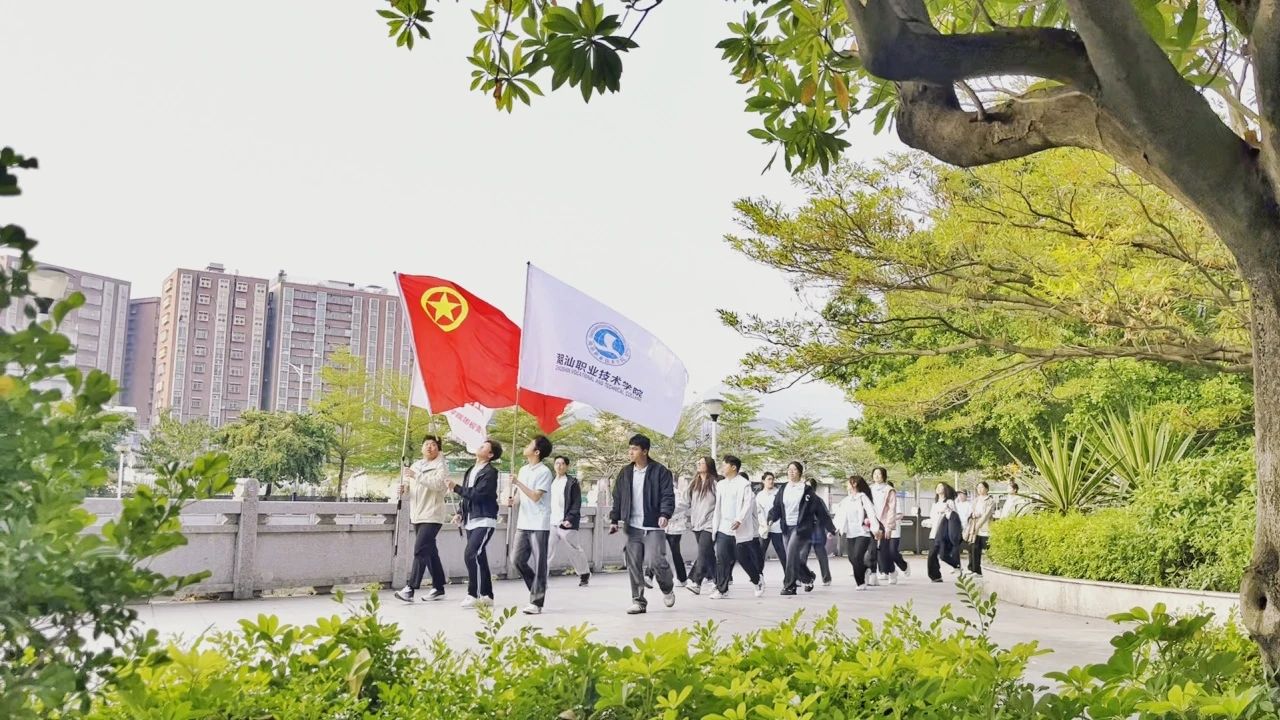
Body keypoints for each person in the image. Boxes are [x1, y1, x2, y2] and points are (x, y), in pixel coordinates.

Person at [608, 434, 677, 615]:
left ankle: (667, 588)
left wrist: (664, 514)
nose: (630, 452)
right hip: (633, 525)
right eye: (630, 448)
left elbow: (668, 495)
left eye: (635, 449)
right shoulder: (625, 472)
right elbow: (618, 497)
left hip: (653, 524)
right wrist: (614, 519)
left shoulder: (660, 471)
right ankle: (638, 601)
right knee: (634, 564)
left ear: (645, 451)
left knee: (656, 561)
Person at [444, 439, 502, 608]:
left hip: (484, 518)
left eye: (483, 446)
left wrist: (456, 488)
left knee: (471, 554)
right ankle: (487, 595)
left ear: (490, 454)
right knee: (479, 556)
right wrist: (460, 513)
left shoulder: (491, 472)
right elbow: (467, 497)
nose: (479, 446)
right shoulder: (471, 470)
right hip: (471, 519)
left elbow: (478, 494)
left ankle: (473, 594)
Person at [395, 434, 450, 603]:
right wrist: (403, 489)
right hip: (417, 514)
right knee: (430, 552)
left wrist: (416, 476)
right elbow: (409, 486)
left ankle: (410, 589)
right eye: (426, 444)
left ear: (438, 448)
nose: (429, 447)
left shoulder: (441, 465)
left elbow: (438, 485)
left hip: (432, 514)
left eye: (433, 444)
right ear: (422, 448)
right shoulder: (416, 465)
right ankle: (439, 587)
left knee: (419, 549)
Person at [768, 462, 836, 596]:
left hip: (801, 528)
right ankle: (808, 577)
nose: (791, 472)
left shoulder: (807, 490)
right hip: (786, 527)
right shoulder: (783, 488)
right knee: (792, 557)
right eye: (789, 469)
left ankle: (789, 586)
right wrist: (771, 518)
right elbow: (777, 507)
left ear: (799, 472)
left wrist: (830, 528)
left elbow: (820, 510)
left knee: (791, 554)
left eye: (794, 470)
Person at [510, 435, 555, 615]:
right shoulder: (523, 469)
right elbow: (521, 495)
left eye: (530, 444)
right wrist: (514, 500)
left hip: (539, 523)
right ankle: (537, 588)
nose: (526, 446)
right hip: (523, 522)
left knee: (539, 564)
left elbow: (536, 496)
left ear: (537, 452)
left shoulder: (544, 472)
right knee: (516, 560)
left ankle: (536, 601)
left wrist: (518, 483)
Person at [710, 454, 764, 599]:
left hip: (739, 528)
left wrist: (739, 519)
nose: (722, 467)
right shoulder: (721, 485)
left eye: (724, 465)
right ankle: (722, 590)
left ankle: (757, 580)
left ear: (733, 467)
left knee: (743, 559)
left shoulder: (744, 484)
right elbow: (718, 507)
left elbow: (747, 504)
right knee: (721, 558)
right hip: (723, 527)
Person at [548, 455, 590, 587]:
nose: (559, 466)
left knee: (574, 550)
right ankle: (541, 579)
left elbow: (576, 503)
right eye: (557, 463)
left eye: (562, 464)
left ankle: (584, 573)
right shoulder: (550, 482)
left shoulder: (572, 482)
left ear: (567, 466)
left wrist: (569, 518)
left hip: (566, 522)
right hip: (551, 521)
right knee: (547, 550)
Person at [836, 475, 882, 590]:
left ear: (854, 483)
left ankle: (860, 583)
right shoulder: (846, 500)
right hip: (850, 533)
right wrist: (835, 529)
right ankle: (865, 569)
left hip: (863, 533)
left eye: (848, 482)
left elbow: (871, 513)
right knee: (851, 558)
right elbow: (840, 517)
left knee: (857, 557)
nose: (847, 484)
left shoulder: (862, 498)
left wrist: (875, 529)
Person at [684, 456, 719, 594]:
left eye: (702, 463)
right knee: (708, 554)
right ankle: (719, 582)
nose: (698, 464)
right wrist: (667, 513)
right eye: (698, 462)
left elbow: (721, 504)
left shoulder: (715, 484)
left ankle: (696, 582)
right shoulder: (694, 483)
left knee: (703, 552)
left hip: (710, 524)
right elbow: (685, 502)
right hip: (696, 524)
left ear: (708, 465)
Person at [869, 467, 900, 586]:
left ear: (884, 476)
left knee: (883, 552)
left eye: (879, 474)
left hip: (884, 523)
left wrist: (889, 526)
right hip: (872, 522)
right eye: (875, 474)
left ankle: (892, 571)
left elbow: (892, 509)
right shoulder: (869, 489)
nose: (877, 476)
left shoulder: (889, 490)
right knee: (872, 550)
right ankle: (873, 575)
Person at [925, 482, 961, 582]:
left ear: (945, 489)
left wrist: (947, 510)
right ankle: (935, 576)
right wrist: (927, 522)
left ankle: (956, 565)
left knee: (943, 555)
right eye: (937, 486)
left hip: (943, 534)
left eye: (941, 486)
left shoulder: (949, 502)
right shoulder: (935, 504)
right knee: (932, 555)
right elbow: (933, 519)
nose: (938, 488)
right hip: (933, 533)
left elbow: (953, 518)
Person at [662, 473, 692, 585]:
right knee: (657, 551)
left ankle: (682, 578)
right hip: (663, 526)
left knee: (675, 553)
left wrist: (666, 515)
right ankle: (648, 575)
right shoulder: (660, 492)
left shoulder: (676, 493)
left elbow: (680, 508)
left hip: (675, 527)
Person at [755, 472, 786, 576]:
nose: (771, 481)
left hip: (777, 528)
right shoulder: (759, 495)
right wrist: (763, 524)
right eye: (768, 479)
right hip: (764, 529)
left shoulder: (778, 493)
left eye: (772, 479)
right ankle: (759, 576)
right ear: (763, 481)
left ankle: (789, 576)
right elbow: (758, 512)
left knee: (782, 553)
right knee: (760, 553)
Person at [966, 481, 998, 576]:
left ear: (987, 489)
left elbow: (986, 515)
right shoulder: (975, 500)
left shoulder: (990, 501)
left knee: (987, 547)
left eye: (982, 487)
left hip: (984, 526)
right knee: (973, 547)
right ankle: (974, 569)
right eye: (978, 487)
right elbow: (972, 511)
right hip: (974, 527)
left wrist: (978, 524)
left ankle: (990, 569)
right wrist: (973, 515)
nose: (979, 489)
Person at [806, 478, 835, 586]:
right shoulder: (801, 500)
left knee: (821, 554)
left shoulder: (818, 500)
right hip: (805, 529)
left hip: (817, 528)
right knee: (802, 555)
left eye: (809, 486)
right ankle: (803, 577)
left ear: (814, 488)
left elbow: (826, 515)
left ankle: (826, 578)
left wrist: (830, 529)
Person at [885, 478, 911, 577]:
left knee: (892, 551)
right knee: (883, 552)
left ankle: (904, 566)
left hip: (893, 530)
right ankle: (888, 571)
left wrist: (890, 519)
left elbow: (900, 515)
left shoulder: (896, 499)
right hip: (882, 530)